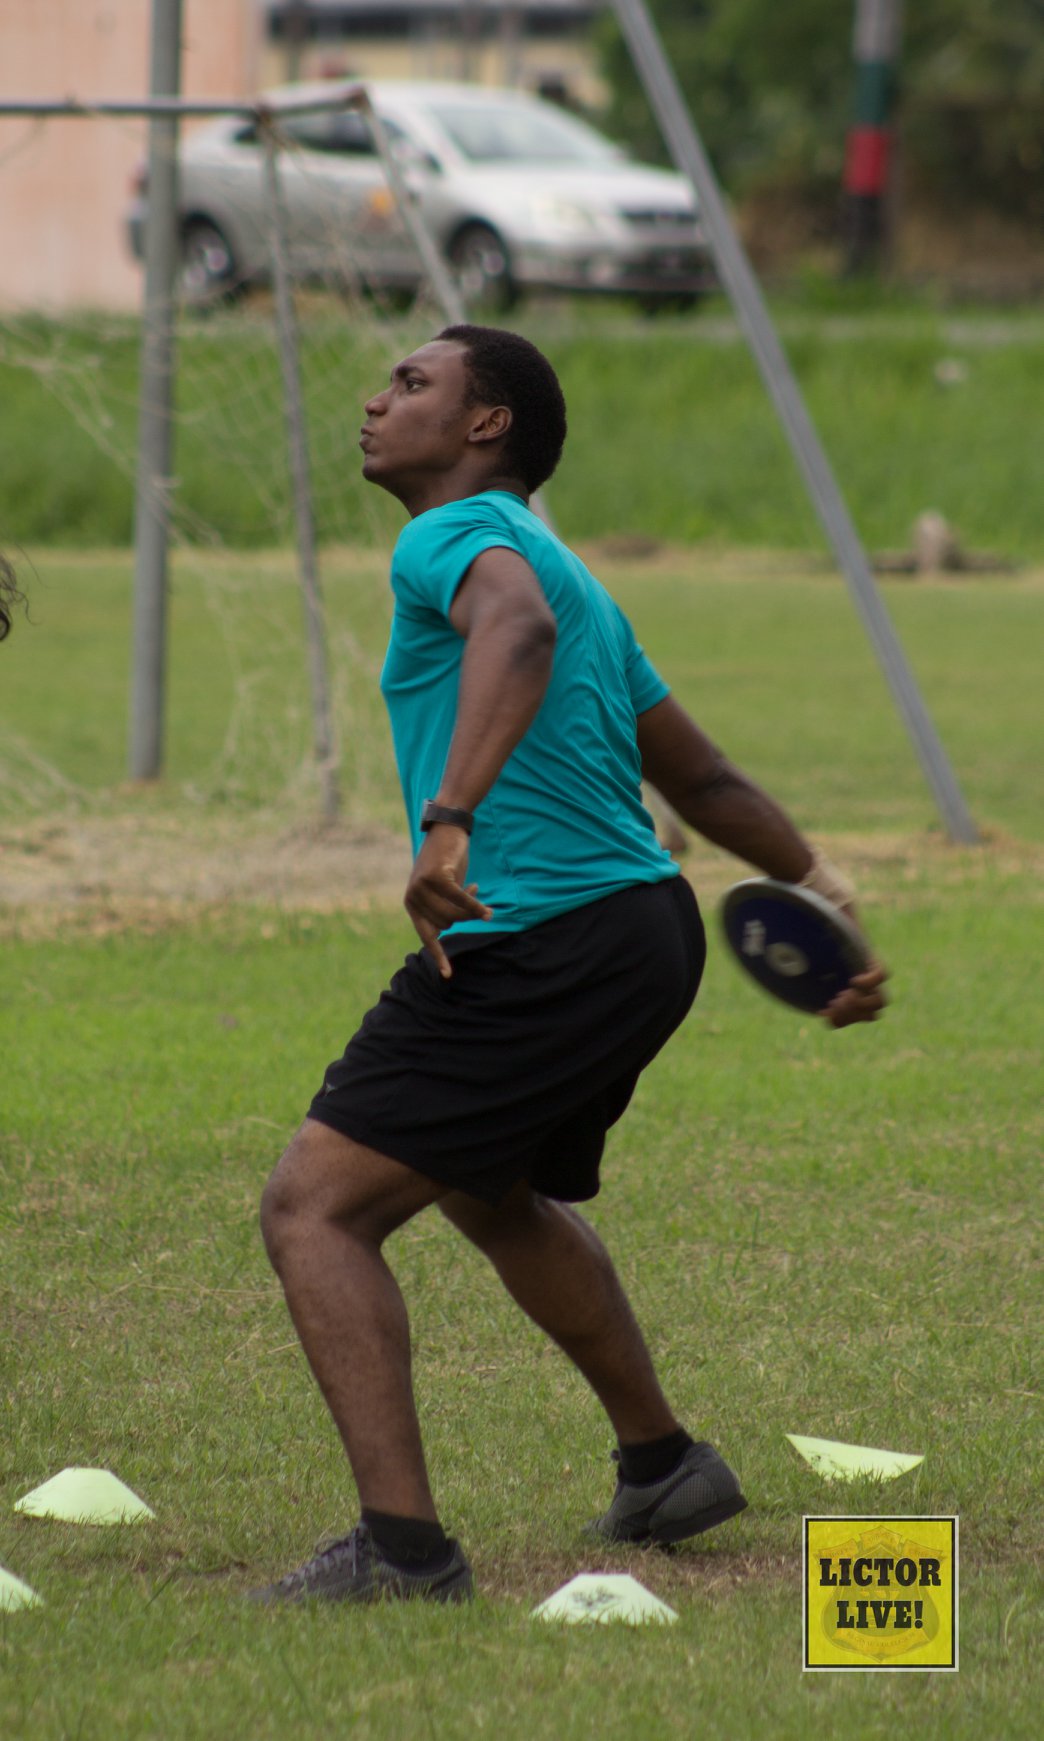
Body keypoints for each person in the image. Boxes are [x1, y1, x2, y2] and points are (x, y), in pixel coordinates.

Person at [253, 325, 887, 1606]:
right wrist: (822, 894)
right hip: (643, 931)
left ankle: (404, 1552)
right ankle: (662, 1462)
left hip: (543, 933)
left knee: (313, 1207)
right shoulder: (570, 566)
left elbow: (517, 632)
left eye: (414, 383)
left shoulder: (458, 539)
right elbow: (699, 775)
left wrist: (450, 818)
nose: (377, 400)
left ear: (486, 428)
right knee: (491, 1192)